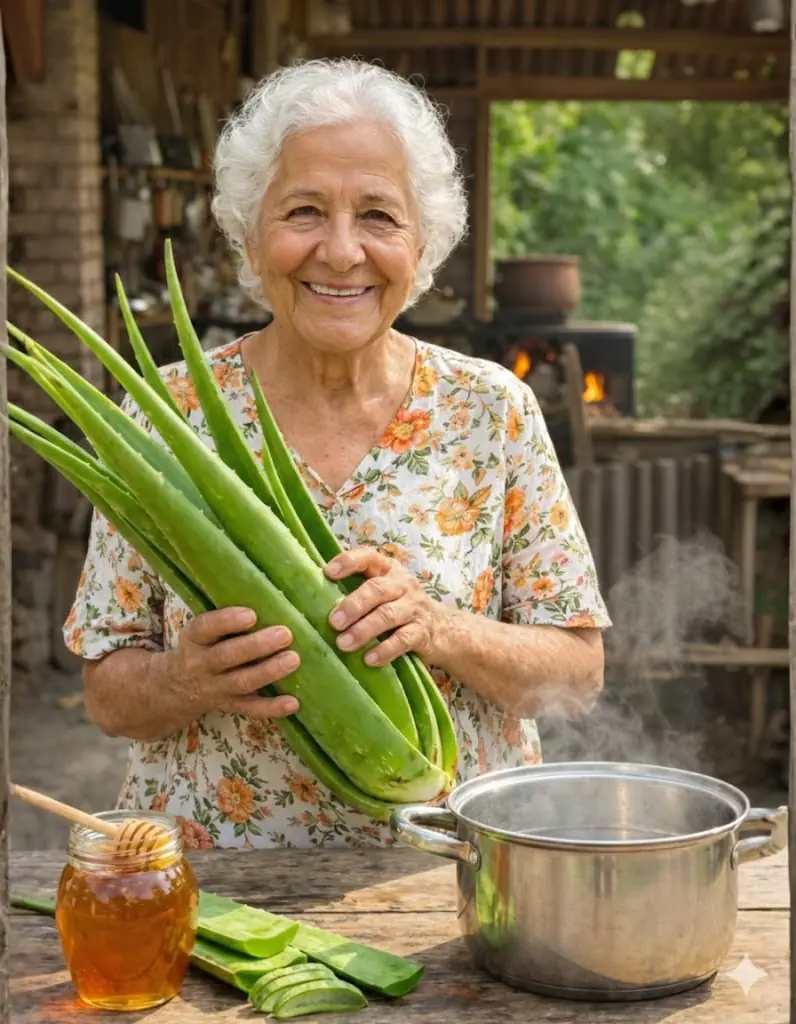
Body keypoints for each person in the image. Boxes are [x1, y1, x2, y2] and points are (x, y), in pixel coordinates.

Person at [64, 59, 611, 849]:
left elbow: (578, 676)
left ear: (424, 243)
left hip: (449, 885)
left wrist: (436, 627)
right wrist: (185, 678)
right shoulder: (167, 416)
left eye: (380, 216)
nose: (342, 251)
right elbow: (108, 692)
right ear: (250, 234)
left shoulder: (490, 412)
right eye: (305, 211)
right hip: (223, 888)